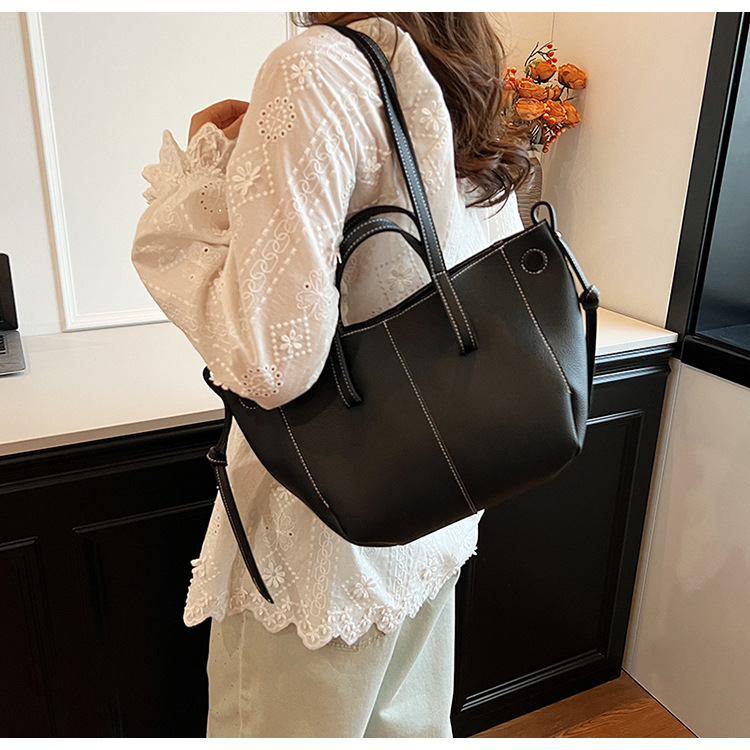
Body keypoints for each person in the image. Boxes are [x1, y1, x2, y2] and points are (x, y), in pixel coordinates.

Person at [132, 12, 529, 738]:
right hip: (432, 499)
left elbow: (269, 362)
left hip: (322, 532)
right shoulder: (453, 66)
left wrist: (198, 182)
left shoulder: (314, 67)